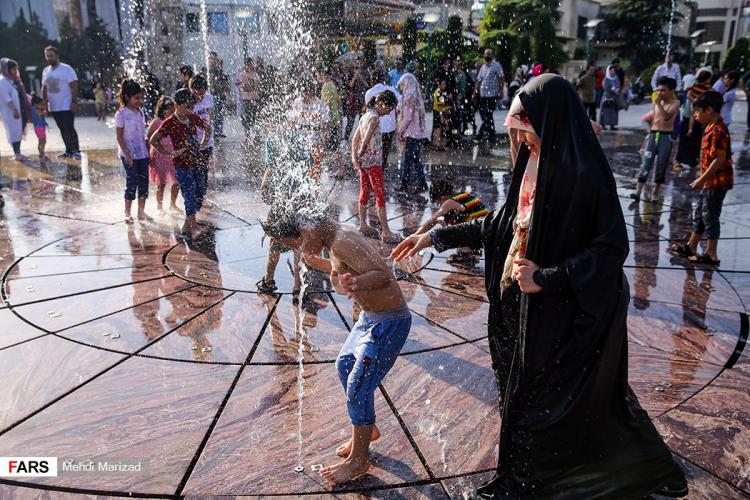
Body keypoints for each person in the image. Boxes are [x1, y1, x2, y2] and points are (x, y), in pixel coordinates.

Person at [391, 74, 688, 499]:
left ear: (550, 123)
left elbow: (610, 248)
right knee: (571, 400)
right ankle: (531, 477)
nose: (521, 143)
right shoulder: (533, 163)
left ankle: (532, 482)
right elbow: (501, 225)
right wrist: (435, 236)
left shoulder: (584, 173)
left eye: (526, 134)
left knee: (567, 401)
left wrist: (546, 277)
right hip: (531, 309)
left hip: (572, 312)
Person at [260, 206, 411, 485]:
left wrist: (356, 283)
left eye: (300, 244)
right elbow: (337, 267)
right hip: (370, 319)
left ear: (307, 229)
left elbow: (382, 276)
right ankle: (368, 429)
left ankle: (359, 460)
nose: (305, 251)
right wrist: (321, 265)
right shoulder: (333, 240)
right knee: (344, 365)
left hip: (390, 322)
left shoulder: (342, 241)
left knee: (359, 384)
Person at [671, 90, 733, 267]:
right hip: (709, 181)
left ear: (709, 110)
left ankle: (711, 254)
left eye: (697, 111)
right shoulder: (709, 127)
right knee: (700, 213)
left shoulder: (719, 130)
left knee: (710, 216)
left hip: (716, 182)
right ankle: (691, 245)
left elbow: (719, 159)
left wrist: (702, 179)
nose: (695, 116)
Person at [149, 88, 212, 239]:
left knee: (200, 195)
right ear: (176, 105)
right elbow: (153, 140)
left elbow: (207, 128)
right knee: (189, 194)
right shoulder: (170, 122)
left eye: (191, 106)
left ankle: (186, 225)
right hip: (182, 165)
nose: (190, 110)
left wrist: (203, 143)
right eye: (186, 106)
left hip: (197, 161)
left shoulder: (193, 117)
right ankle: (194, 228)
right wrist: (167, 153)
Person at [351, 91, 400, 243]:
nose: (389, 112)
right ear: (381, 104)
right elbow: (364, 139)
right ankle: (385, 231)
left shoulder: (365, 115)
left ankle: (362, 225)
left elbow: (354, 139)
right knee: (380, 194)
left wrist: (355, 158)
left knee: (364, 191)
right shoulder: (374, 119)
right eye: (389, 108)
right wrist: (362, 149)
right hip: (373, 162)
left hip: (364, 162)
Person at [414, 179, 488, 265]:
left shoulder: (449, 202)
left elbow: (432, 220)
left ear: (441, 197)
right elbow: (463, 210)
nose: (439, 205)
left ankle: (467, 253)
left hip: (478, 232)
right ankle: (472, 251)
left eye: (438, 202)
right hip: (484, 229)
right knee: (451, 221)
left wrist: (416, 235)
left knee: (446, 224)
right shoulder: (462, 196)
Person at [631, 76, 680, 201]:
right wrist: (649, 134)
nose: (660, 93)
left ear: (672, 91)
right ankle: (638, 191)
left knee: (661, 165)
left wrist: (658, 103)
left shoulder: (676, 103)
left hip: (665, 136)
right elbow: (653, 119)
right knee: (645, 164)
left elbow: (666, 118)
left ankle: (655, 192)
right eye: (659, 90)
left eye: (663, 90)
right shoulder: (658, 102)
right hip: (654, 135)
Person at [114, 79, 151, 224]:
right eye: (136, 98)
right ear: (127, 97)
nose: (140, 101)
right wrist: (127, 155)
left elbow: (143, 133)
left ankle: (141, 212)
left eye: (141, 97)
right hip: (128, 154)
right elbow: (119, 136)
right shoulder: (121, 114)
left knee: (144, 182)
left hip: (142, 153)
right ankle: (127, 213)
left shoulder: (140, 112)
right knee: (132, 182)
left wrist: (149, 150)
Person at [41, 46, 80, 160]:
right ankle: (68, 150)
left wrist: (74, 101)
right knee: (62, 128)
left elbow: (74, 85)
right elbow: (44, 87)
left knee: (69, 127)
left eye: (51, 55)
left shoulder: (66, 69)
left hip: (66, 104)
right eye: (47, 56)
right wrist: (44, 102)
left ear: (57, 56)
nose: (50, 58)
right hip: (54, 106)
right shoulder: (46, 71)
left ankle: (76, 151)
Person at [289, 76, 330, 181]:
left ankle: (315, 184)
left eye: (305, 94)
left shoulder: (320, 104)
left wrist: (325, 139)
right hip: (300, 135)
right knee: (300, 162)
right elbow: (292, 120)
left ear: (311, 92)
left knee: (316, 162)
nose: (303, 97)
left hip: (315, 135)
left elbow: (326, 123)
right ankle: (301, 182)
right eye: (302, 94)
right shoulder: (297, 102)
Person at [396, 73, 428, 194]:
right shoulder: (415, 95)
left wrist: (400, 130)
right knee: (415, 160)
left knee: (407, 160)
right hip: (417, 133)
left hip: (411, 134)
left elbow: (408, 117)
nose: (401, 87)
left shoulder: (410, 97)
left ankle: (404, 184)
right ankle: (422, 183)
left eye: (402, 84)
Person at [147, 96, 180, 212]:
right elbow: (149, 137)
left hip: (173, 156)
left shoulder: (175, 121)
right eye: (169, 110)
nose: (172, 112)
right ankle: (159, 207)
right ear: (162, 110)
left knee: (177, 181)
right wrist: (147, 155)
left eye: (173, 110)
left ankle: (172, 204)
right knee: (161, 184)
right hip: (159, 157)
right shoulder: (156, 122)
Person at [675, 69, 712, 169]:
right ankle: (681, 159)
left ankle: (690, 159)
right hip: (691, 113)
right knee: (687, 137)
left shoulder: (705, 87)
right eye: (709, 78)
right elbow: (689, 95)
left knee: (695, 138)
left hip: (696, 114)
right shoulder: (695, 84)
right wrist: (696, 103)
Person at [189, 74, 214, 212]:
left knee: (203, 171)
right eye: (197, 93)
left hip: (207, 142)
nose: (200, 96)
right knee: (194, 171)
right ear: (191, 89)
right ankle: (195, 198)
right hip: (192, 143)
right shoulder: (188, 102)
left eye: (203, 92)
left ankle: (200, 198)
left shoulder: (210, 98)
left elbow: (211, 116)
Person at [0, 58, 29, 161]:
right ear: (7, 69)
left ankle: (18, 153)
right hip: (10, 112)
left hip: (17, 111)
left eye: (16, 69)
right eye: (13, 69)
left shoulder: (11, 80)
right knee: (13, 132)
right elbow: (6, 99)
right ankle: (16, 154)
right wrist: (14, 110)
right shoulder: (3, 81)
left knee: (17, 131)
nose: (16, 71)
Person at [319, 67, 344, 176]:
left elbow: (327, 104)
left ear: (323, 75)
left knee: (331, 145)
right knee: (334, 145)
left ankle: (340, 169)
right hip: (335, 118)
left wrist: (325, 120)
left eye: (318, 74)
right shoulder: (332, 84)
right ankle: (339, 168)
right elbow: (338, 102)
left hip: (330, 120)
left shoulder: (326, 86)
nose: (317, 76)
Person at [474, 49, 504, 139]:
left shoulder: (496, 66)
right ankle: (491, 133)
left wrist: (500, 90)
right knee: (485, 114)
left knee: (488, 113)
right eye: (486, 54)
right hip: (483, 95)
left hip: (492, 95)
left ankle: (480, 134)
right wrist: (475, 92)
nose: (487, 55)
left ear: (492, 55)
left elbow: (501, 78)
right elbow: (479, 80)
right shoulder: (483, 67)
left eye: (489, 54)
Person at [344, 57, 370, 140]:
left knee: (362, 119)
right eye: (357, 63)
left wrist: (361, 77)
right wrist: (355, 76)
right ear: (355, 64)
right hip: (353, 98)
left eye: (360, 63)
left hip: (362, 99)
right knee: (350, 120)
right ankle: (346, 138)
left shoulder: (366, 72)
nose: (359, 65)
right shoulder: (351, 72)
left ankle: (361, 137)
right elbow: (350, 85)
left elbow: (367, 85)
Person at [236, 58, 260, 132]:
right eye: (249, 65)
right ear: (246, 65)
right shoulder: (242, 74)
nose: (251, 66)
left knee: (255, 118)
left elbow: (258, 86)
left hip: (255, 98)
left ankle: (256, 135)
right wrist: (252, 87)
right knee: (247, 118)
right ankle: (248, 134)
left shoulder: (255, 74)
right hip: (246, 99)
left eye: (251, 64)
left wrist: (251, 87)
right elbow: (244, 88)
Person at [431, 79, 451, 150]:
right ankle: (438, 145)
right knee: (438, 129)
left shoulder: (438, 92)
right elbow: (440, 106)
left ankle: (435, 144)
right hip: (438, 112)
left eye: (445, 84)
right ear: (439, 85)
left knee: (437, 128)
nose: (444, 86)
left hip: (436, 111)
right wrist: (442, 115)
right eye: (443, 84)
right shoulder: (438, 92)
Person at [600, 65, 621, 130]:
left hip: (614, 97)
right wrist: (613, 90)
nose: (612, 72)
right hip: (607, 96)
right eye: (611, 71)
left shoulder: (616, 78)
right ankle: (603, 125)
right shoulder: (606, 79)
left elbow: (618, 85)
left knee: (613, 112)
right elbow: (605, 87)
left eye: (613, 71)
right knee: (605, 111)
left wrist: (617, 89)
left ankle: (613, 125)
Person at [30, 94, 49, 163]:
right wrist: (44, 109)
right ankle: (41, 155)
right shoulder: (34, 109)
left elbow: (43, 115)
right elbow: (41, 114)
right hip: (39, 128)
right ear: (35, 104)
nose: (42, 105)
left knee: (43, 141)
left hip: (40, 127)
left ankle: (42, 154)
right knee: (42, 141)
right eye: (41, 104)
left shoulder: (36, 109)